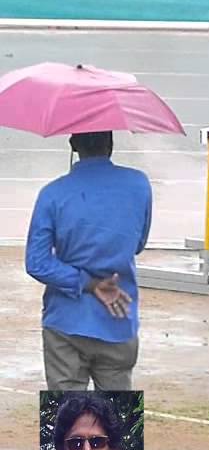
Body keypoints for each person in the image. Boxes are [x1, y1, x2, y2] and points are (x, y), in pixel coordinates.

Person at [25, 132, 152, 391]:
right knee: (119, 418)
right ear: (111, 144)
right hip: (118, 315)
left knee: (66, 419)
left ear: (73, 144)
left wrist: (87, 283)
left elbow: (36, 263)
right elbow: (138, 244)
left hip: (66, 320)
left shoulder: (52, 194)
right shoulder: (139, 184)